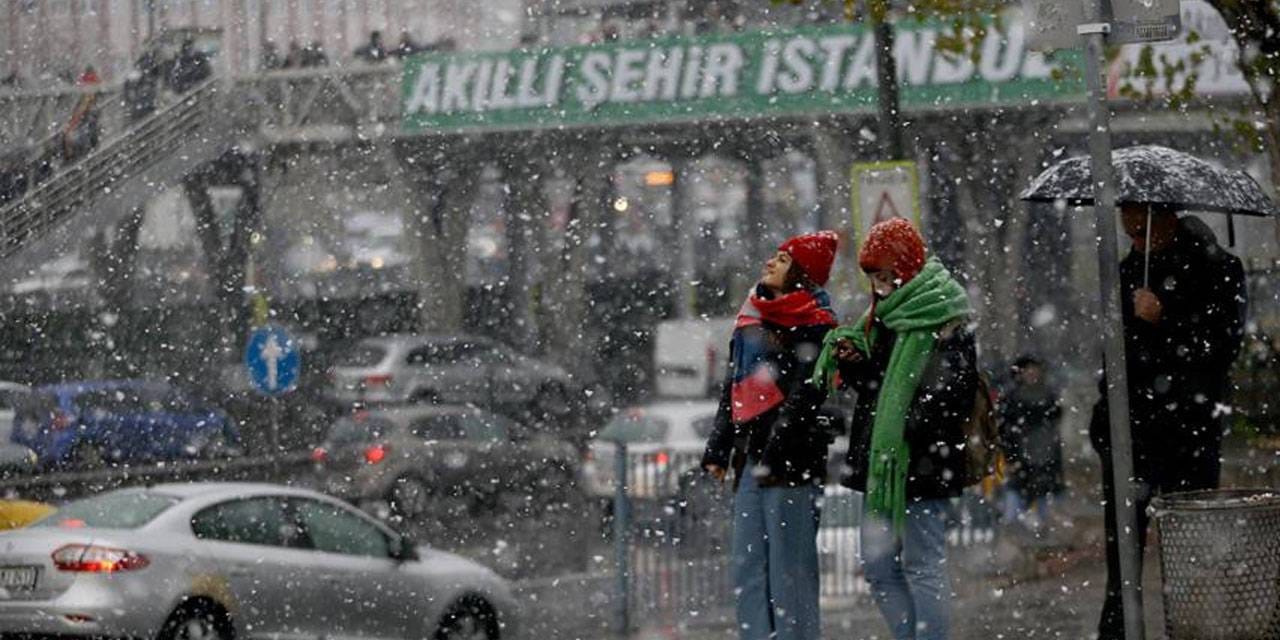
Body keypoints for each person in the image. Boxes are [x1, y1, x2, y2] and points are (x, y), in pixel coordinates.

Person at [810, 218, 977, 640]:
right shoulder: (882, 316)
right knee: (878, 566)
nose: (880, 286)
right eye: (873, 278)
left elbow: (952, 394)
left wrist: (906, 421)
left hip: (921, 461)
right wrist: (852, 361)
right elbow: (875, 387)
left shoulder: (944, 314)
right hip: (883, 466)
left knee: (923, 565)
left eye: (885, 275)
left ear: (906, 267)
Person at [1091, 205, 1246, 640]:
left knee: (1189, 548)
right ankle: (1119, 630)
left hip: (1188, 429)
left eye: (1142, 231)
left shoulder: (1218, 269)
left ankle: (1193, 628)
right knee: (1122, 553)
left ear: (1167, 219)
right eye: (1129, 231)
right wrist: (1104, 418)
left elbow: (1221, 347)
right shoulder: (1126, 273)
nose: (1135, 241)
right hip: (1130, 430)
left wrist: (1164, 319)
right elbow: (1114, 355)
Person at [701, 230, 839, 640]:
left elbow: (805, 394)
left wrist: (775, 445)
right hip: (749, 459)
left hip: (791, 462)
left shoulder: (816, 326)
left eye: (782, 260)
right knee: (747, 566)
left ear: (801, 273)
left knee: (789, 571)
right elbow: (733, 389)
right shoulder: (750, 317)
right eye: (774, 256)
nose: (770, 263)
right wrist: (719, 447)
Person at [998, 354, 1063, 529]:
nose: (1032, 374)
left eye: (1035, 370)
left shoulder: (1047, 396)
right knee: (1015, 509)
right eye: (1028, 370)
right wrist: (1011, 458)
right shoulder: (1012, 398)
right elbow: (1005, 431)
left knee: (1043, 510)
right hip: (1022, 459)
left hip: (1043, 459)